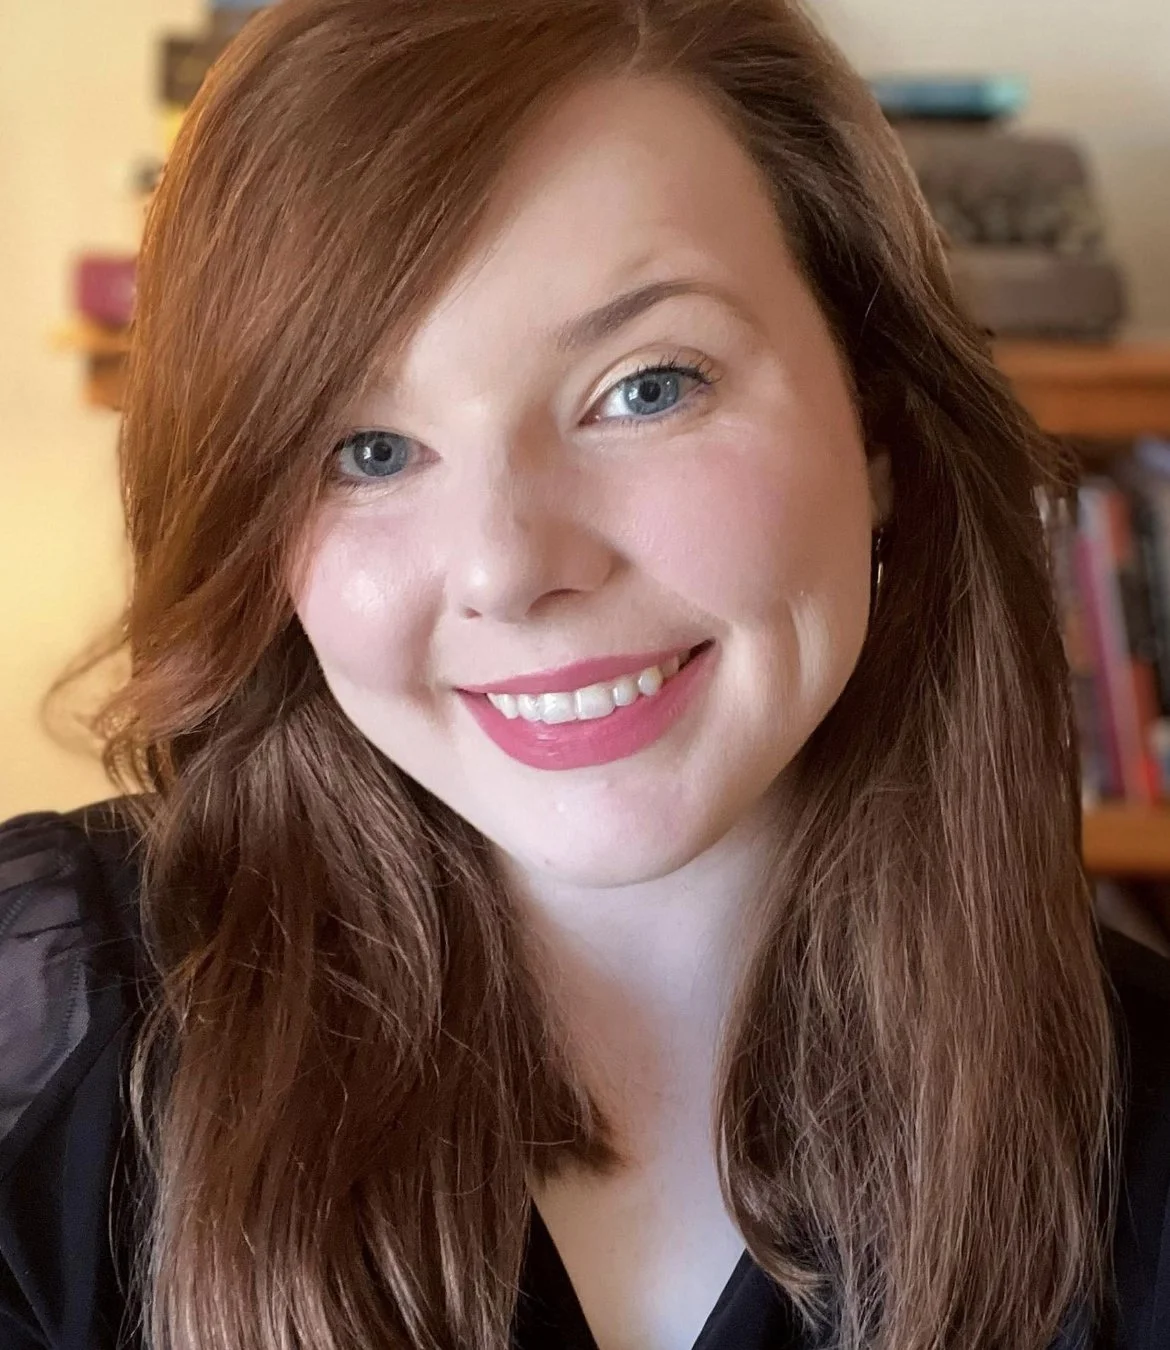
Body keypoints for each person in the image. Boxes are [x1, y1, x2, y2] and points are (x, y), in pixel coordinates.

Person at [2, 0, 1168, 1347]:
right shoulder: (45, 1049)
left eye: (644, 386)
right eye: (365, 450)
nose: (507, 565)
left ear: (880, 425)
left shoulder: (1137, 1133)